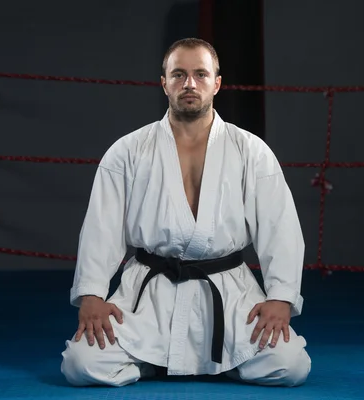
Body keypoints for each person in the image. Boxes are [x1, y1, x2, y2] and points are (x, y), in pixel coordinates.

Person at [60, 38, 311, 387]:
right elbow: (101, 228)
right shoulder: (128, 151)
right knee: (80, 363)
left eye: (200, 74)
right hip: (149, 292)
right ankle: (179, 359)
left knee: (290, 365)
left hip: (228, 291)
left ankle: (168, 360)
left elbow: (280, 228)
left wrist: (280, 298)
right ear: (163, 82)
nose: (189, 84)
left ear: (217, 83)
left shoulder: (251, 151)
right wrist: (91, 296)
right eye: (178, 74)